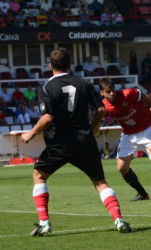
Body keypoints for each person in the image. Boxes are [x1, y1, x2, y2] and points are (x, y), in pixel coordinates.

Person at [20, 48, 131, 236]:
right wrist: (94, 127)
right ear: (70, 65)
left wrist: (30, 134)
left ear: (50, 66)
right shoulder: (84, 83)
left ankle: (44, 222)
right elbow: (102, 109)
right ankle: (118, 219)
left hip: (59, 143)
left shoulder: (46, 88)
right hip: (84, 141)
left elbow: (48, 118)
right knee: (100, 182)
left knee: (39, 176)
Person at [99, 76, 151, 201]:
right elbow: (97, 116)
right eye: (108, 91)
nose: (112, 93)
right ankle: (143, 194)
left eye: (113, 90)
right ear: (101, 92)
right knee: (121, 167)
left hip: (146, 131)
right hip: (128, 135)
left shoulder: (128, 93)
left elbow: (148, 98)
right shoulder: (104, 107)